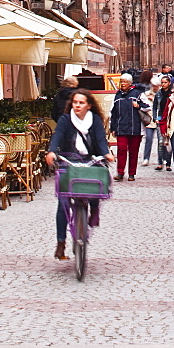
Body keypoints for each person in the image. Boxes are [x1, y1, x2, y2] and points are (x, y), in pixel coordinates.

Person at [46, 89, 113, 260]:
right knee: (63, 202)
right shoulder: (65, 120)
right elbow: (57, 136)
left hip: (90, 159)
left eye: (81, 103)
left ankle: (94, 211)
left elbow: (100, 140)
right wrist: (52, 152)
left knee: (96, 184)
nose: (77, 105)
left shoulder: (95, 120)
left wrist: (106, 154)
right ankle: (61, 243)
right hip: (69, 160)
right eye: (75, 102)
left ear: (88, 105)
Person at [110, 73, 150, 181]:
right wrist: (112, 127)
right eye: (121, 81)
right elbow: (113, 113)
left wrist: (139, 106)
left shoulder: (137, 94)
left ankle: (132, 174)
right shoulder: (117, 95)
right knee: (121, 150)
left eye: (125, 82)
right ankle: (120, 172)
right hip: (121, 127)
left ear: (130, 83)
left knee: (133, 151)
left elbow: (148, 106)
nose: (122, 84)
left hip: (135, 127)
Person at [153, 74, 173, 171]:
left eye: (165, 82)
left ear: (169, 83)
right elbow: (155, 106)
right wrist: (155, 117)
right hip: (161, 118)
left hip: (170, 118)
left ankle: (168, 163)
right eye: (162, 83)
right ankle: (160, 162)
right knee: (161, 141)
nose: (163, 84)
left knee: (168, 142)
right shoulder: (158, 94)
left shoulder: (173, 94)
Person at [141, 75, 161, 166]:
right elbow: (143, 106)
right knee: (148, 138)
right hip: (149, 120)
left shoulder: (162, 94)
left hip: (159, 119)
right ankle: (146, 158)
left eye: (156, 86)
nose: (155, 88)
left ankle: (162, 159)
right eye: (153, 86)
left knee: (161, 141)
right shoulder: (146, 94)